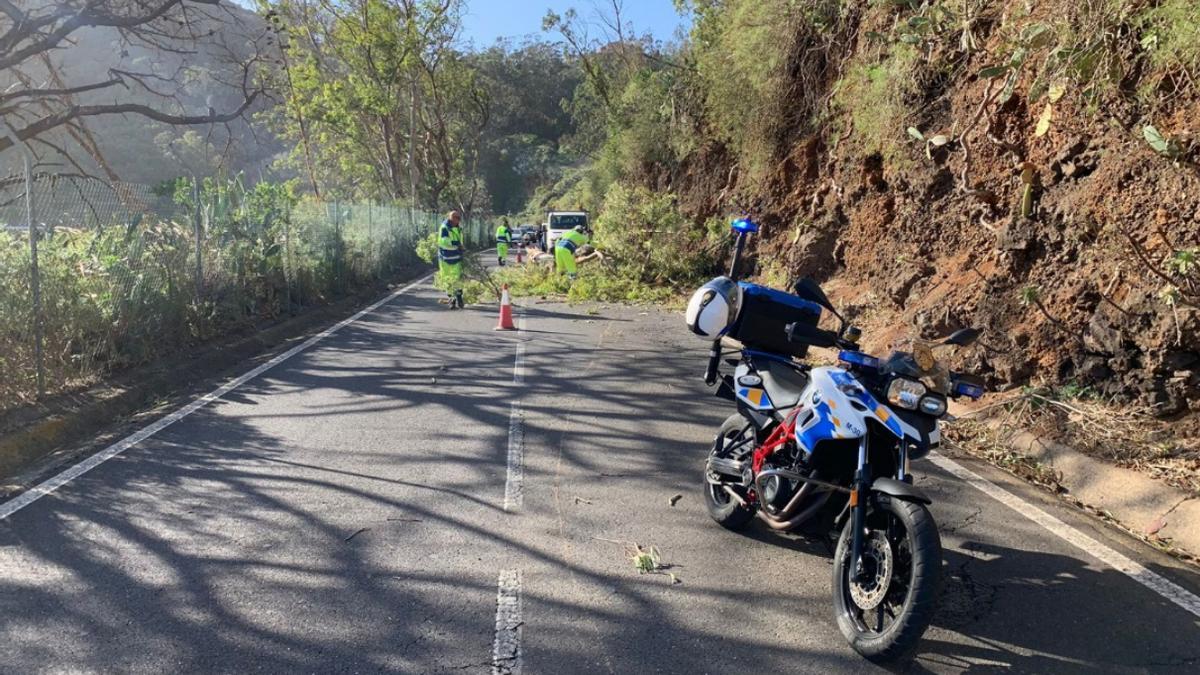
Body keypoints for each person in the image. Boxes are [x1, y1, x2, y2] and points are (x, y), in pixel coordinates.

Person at [438, 210, 465, 309]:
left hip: (456, 258)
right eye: (457, 218)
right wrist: (457, 244)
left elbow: (460, 240)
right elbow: (444, 242)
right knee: (447, 279)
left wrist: (461, 248)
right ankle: (452, 299)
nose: (459, 220)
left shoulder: (459, 228)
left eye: (459, 218)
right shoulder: (445, 228)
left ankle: (459, 297)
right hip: (445, 258)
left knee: (456, 278)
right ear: (452, 218)